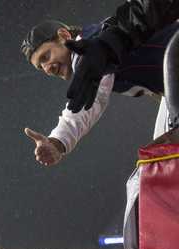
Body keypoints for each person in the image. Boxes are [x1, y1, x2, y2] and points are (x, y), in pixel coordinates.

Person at [21, 15, 179, 167]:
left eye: (46, 56)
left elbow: (86, 103)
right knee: (159, 157)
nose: (48, 68)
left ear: (64, 35)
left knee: (158, 163)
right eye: (41, 67)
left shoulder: (90, 48)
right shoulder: (101, 38)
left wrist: (57, 141)